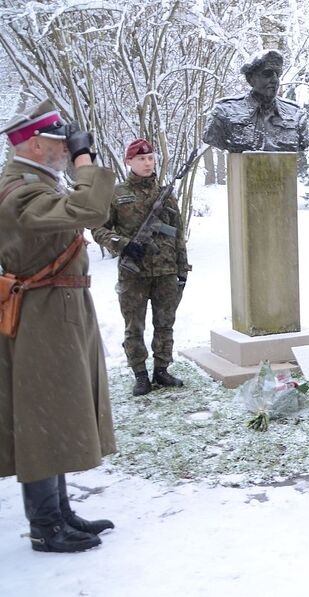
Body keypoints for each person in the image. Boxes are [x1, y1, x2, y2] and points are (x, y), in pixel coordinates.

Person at [0, 100, 117, 552]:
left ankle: (60, 512)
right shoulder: (22, 191)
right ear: (32, 144)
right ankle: (46, 526)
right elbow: (90, 209)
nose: (67, 149)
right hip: (41, 314)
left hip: (56, 308)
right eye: (60, 142)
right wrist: (87, 161)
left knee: (56, 412)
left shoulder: (33, 184)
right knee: (42, 415)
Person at [91, 139, 191, 396]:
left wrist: (182, 268)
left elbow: (177, 234)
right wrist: (123, 244)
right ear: (129, 161)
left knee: (165, 323)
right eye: (141, 159)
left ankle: (161, 370)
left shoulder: (165, 194)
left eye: (150, 159)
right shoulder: (116, 193)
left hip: (166, 271)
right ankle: (140, 374)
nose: (147, 163)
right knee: (134, 326)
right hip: (133, 272)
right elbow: (98, 228)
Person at [202, 49, 309, 153]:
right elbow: (213, 139)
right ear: (250, 79)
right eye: (267, 74)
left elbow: (303, 144)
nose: (274, 80)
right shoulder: (225, 111)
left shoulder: (295, 114)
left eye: (277, 74)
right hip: (241, 171)